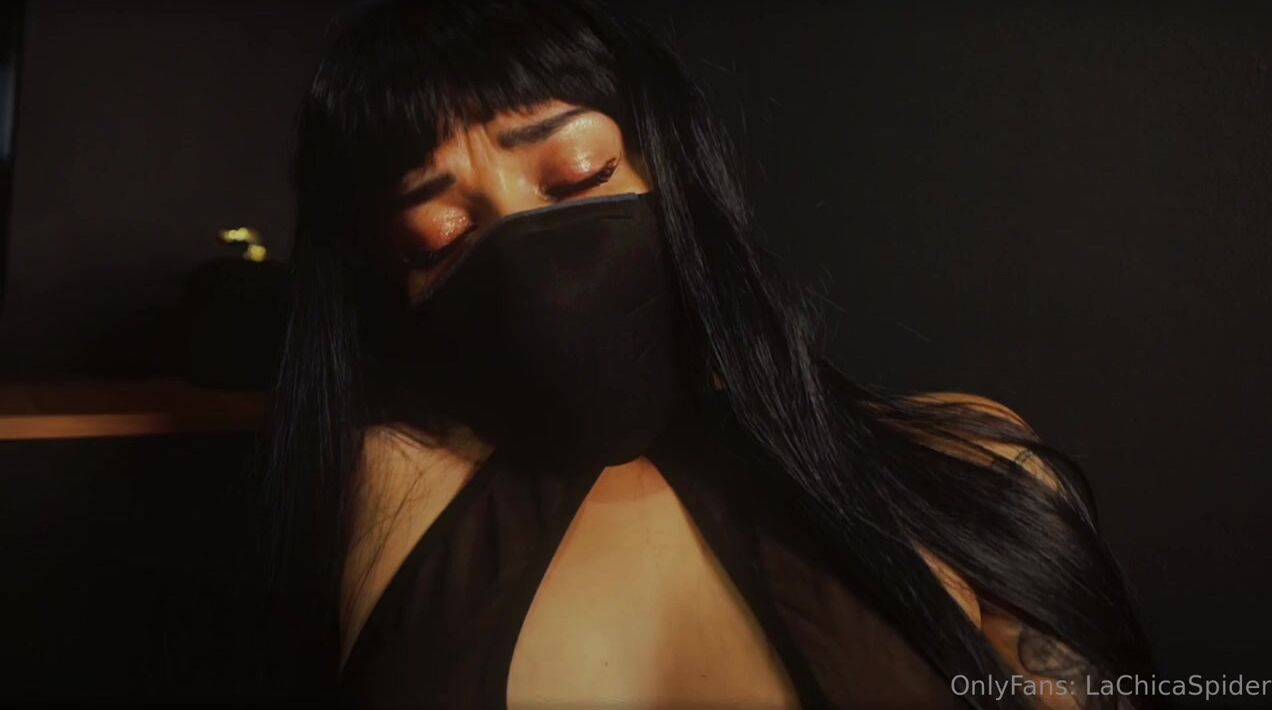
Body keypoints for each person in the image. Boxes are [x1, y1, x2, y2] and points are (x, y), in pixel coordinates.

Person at [259, 0, 1155, 707]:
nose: (533, 266)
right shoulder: (388, 487)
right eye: (441, 234)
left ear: (670, 169)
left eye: (578, 174)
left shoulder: (966, 465)